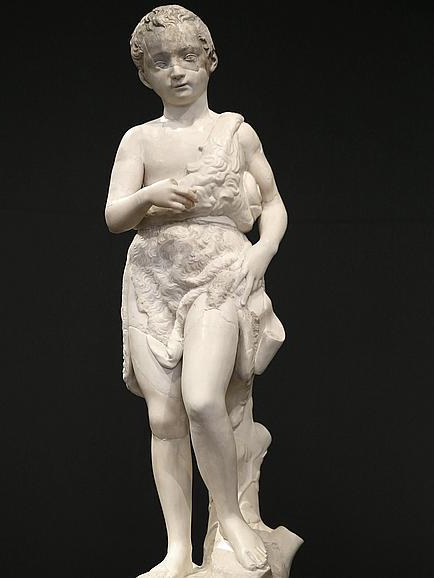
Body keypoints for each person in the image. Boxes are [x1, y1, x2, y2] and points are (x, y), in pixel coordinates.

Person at [105, 6, 288, 577]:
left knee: (204, 399)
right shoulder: (139, 139)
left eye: (188, 57)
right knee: (164, 417)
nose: (177, 71)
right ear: (145, 74)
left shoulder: (234, 131)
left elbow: (274, 204)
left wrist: (261, 253)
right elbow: (114, 216)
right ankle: (178, 551)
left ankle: (230, 517)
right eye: (161, 62)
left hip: (218, 272)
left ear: (210, 61)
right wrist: (150, 195)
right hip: (152, 277)